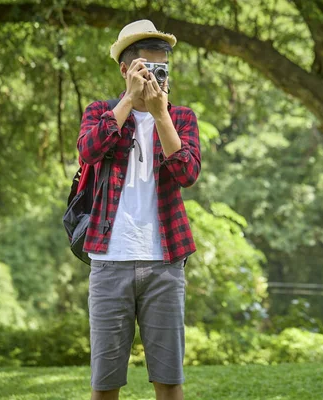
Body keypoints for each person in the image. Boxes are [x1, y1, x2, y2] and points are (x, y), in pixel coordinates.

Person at [77, 19, 201, 400]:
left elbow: (187, 172)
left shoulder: (181, 118)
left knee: (169, 380)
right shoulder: (101, 111)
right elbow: (88, 151)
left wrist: (160, 114)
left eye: (161, 69)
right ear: (125, 70)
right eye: (146, 69)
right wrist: (129, 102)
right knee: (105, 383)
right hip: (109, 261)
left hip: (164, 261)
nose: (155, 77)